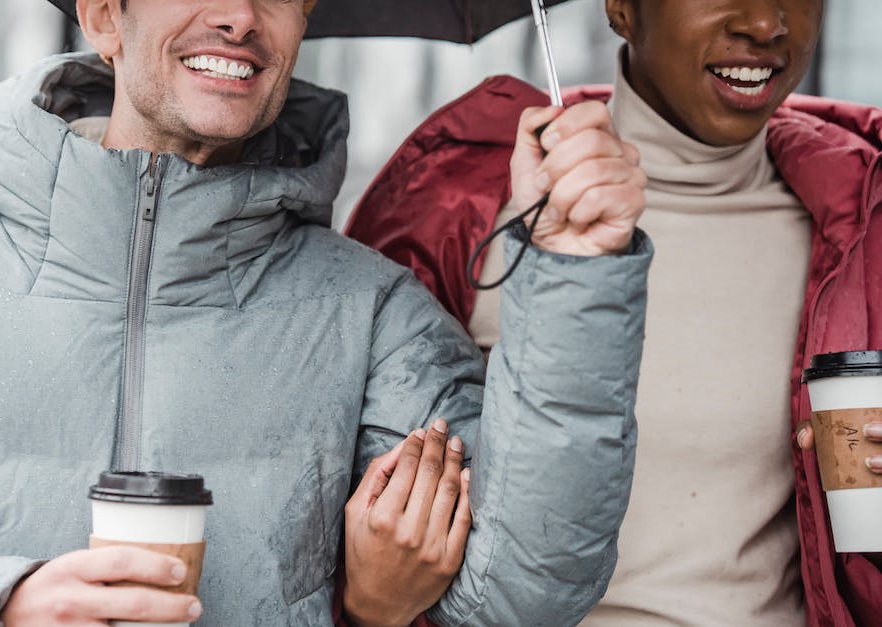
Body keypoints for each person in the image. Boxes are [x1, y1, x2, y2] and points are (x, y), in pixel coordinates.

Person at [0, 0, 652, 625]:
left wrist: (577, 262)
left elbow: (522, 592)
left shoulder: (373, 315)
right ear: (105, 16)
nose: (240, 17)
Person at [345, 0, 882, 624]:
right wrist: (371, 607)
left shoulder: (861, 227)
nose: (764, 24)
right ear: (622, 9)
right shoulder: (468, 214)